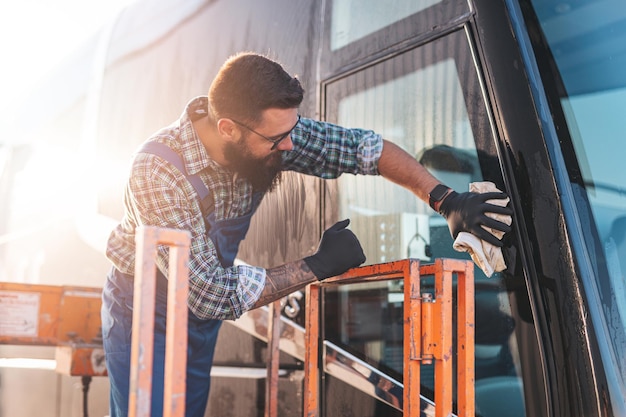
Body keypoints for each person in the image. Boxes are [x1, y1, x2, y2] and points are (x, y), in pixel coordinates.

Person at [101, 51, 513, 417]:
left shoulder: (272, 131)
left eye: (292, 131)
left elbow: (364, 150)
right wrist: (316, 265)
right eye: (278, 139)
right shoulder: (158, 170)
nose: (290, 146)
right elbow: (207, 292)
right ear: (227, 129)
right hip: (145, 310)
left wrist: (443, 199)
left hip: (201, 309)